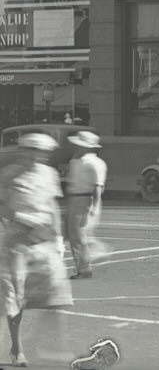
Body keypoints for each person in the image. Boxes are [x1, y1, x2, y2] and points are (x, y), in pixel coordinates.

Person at [0, 133, 73, 367]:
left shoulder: (49, 174)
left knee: (57, 293)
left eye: (42, 152)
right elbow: (4, 206)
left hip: (43, 240)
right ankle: (17, 349)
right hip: (17, 242)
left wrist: (59, 237)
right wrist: (21, 217)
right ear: (25, 151)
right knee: (15, 297)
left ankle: (52, 345)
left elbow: (52, 206)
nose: (38, 156)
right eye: (34, 150)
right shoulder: (10, 175)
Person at [63, 131, 106, 279]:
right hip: (74, 198)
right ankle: (83, 265)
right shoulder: (76, 160)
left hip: (83, 199)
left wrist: (95, 205)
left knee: (78, 235)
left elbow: (97, 187)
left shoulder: (94, 163)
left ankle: (84, 267)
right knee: (74, 234)